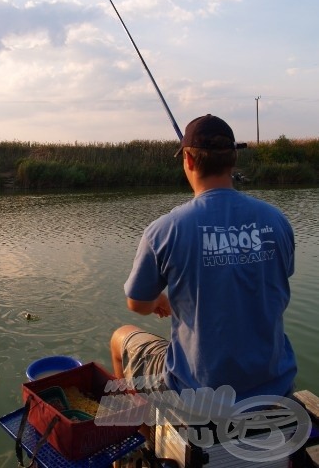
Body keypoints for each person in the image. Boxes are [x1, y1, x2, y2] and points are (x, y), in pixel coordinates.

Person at [110, 114, 297, 404]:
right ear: (233, 160)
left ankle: (140, 423)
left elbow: (137, 304)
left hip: (196, 393)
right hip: (274, 386)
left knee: (120, 337)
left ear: (189, 161)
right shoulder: (278, 221)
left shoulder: (164, 230)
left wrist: (158, 300)